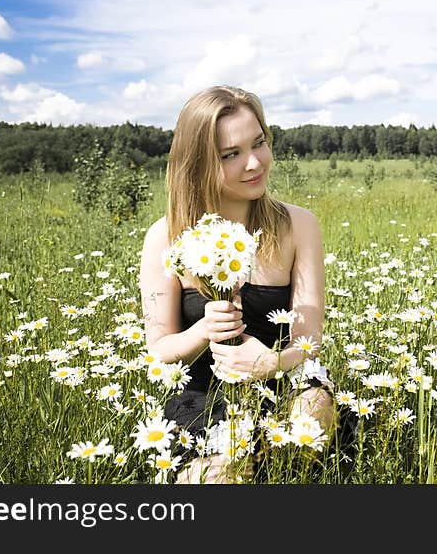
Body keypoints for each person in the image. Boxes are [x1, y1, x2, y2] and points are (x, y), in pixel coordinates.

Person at [138, 85, 337, 483]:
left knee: (312, 411)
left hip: (286, 380)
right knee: (219, 474)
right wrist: (203, 330)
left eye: (259, 143)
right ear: (198, 163)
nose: (254, 163)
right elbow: (160, 349)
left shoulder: (298, 225)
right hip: (203, 394)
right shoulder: (166, 236)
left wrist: (271, 363)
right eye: (231, 154)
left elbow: (309, 339)